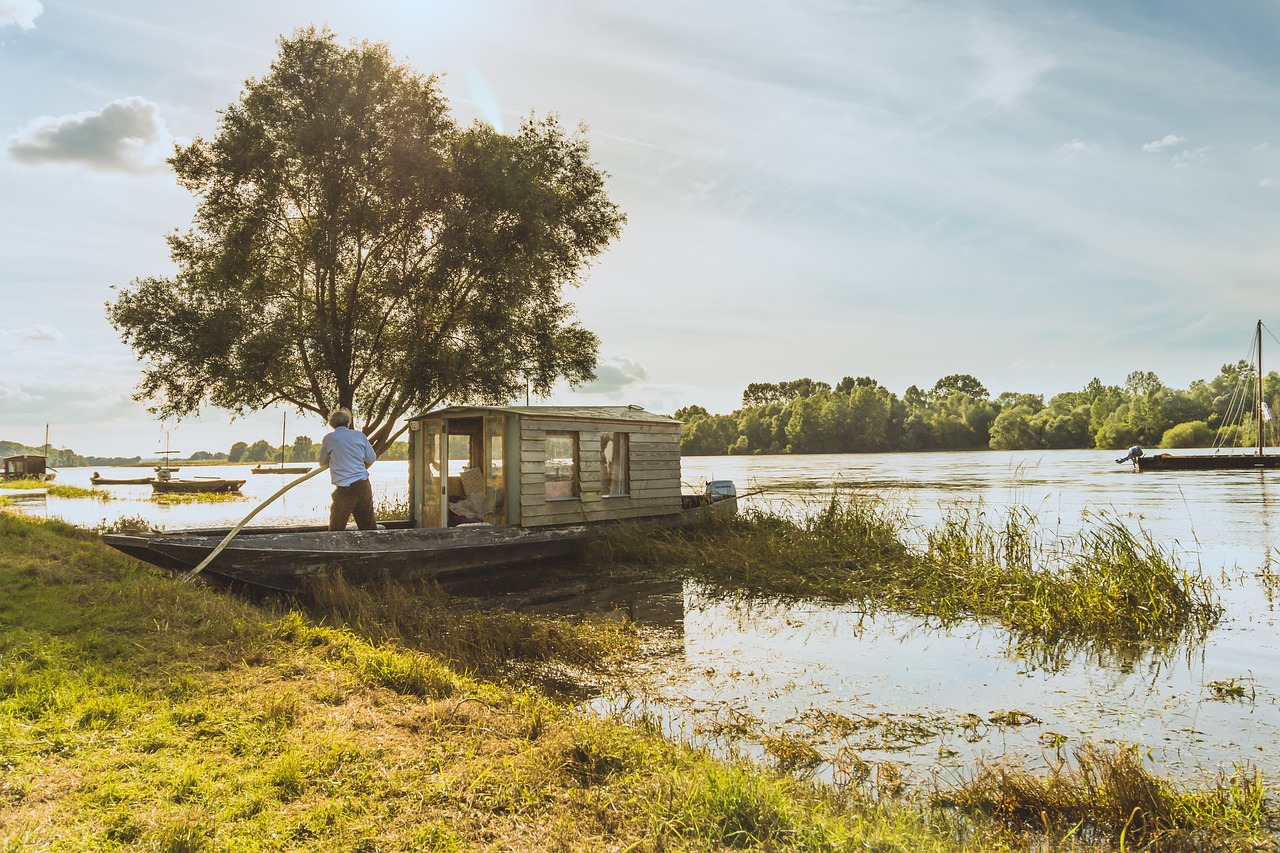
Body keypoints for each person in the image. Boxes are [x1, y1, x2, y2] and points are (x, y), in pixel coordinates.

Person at [318, 408, 377, 531]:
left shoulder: (330, 439)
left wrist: (335, 458)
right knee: (368, 526)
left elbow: (322, 462)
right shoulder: (360, 436)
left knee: (336, 528)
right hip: (362, 485)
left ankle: (335, 549)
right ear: (348, 423)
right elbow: (371, 458)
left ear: (332, 424)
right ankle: (372, 547)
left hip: (344, 489)